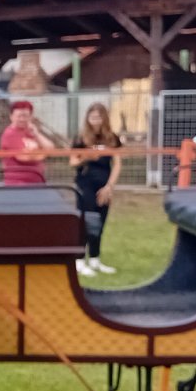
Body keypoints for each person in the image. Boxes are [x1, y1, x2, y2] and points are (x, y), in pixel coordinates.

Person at [70, 102, 122, 277]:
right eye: (92, 117)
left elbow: (117, 164)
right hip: (85, 185)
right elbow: (73, 162)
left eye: (99, 116)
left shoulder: (112, 138)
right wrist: (87, 156)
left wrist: (109, 187)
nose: (95, 120)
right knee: (87, 222)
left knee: (101, 221)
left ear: (104, 118)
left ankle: (95, 259)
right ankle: (79, 261)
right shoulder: (80, 138)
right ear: (87, 118)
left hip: (104, 185)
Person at [0, 100, 47, 186]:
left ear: (31, 117)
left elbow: (50, 148)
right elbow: (23, 157)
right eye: (19, 116)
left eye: (25, 116)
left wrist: (37, 135)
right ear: (11, 116)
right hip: (17, 183)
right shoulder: (9, 134)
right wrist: (43, 154)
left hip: (37, 180)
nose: (22, 119)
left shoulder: (31, 131)